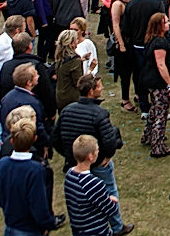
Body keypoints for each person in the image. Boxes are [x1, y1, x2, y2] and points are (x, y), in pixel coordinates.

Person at [53, 73, 133, 235]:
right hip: (97, 163)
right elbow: (109, 141)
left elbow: (55, 138)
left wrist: (70, 156)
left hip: (78, 162)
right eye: (99, 86)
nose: (102, 88)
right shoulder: (99, 113)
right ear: (91, 91)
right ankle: (117, 226)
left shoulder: (68, 110)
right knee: (110, 191)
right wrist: (107, 157)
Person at [0, 119, 59, 236]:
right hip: (29, 228)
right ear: (34, 139)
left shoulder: (2, 164)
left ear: (12, 141)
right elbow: (39, 204)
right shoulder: (35, 170)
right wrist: (48, 223)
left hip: (11, 224)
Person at [64, 134, 122, 236]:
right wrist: (111, 200)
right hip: (96, 231)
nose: (98, 152)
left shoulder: (69, 175)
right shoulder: (94, 183)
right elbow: (111, 210)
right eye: (97, 150)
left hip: (78, 230)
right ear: (90, 156)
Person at [140, 12, 170, 158]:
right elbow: (161, 65)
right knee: (161, 113)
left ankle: (148, 135)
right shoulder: (160, 43)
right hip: (158, 83)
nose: (168, 24)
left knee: (155, 110)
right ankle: (158, 145)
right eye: (166, 22)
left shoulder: (152, 39)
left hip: (150, 80)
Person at [53, 29, 85, 111]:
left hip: (60, 97)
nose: (78, 41)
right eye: (76, 40)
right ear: (71, 44)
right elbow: (79, 83)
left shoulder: (59, 58)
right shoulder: (74, 61)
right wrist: (91, 69)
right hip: (72, 99)